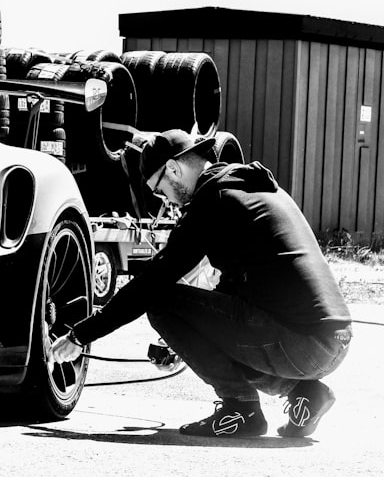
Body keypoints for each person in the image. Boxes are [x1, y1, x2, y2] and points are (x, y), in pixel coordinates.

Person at [51, 129, 352, 438]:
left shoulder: (212, 200)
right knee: (190, 309)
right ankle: (306, 395)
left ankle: (241, 409)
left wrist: (81, 335)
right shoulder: (246, 189)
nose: (164, 200)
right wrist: (185, 339)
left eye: (159, 189)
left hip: (299, 344)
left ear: (173, 169)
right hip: (330, 340)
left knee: (159, 301)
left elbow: (153, 282)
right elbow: (241, 290)